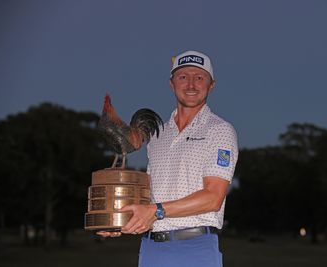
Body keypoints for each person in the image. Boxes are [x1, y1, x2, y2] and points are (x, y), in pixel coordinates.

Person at [99, 50, 238, 267]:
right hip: (151, 249)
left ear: (211, 85)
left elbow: (213, 198)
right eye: (183, 77)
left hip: (195, 248)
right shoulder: (157, 135)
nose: (191, 84)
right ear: (171, 84)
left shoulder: (219, 130)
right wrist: (118, 219)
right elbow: (151, 201)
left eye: (199, 77)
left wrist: (156, 211)